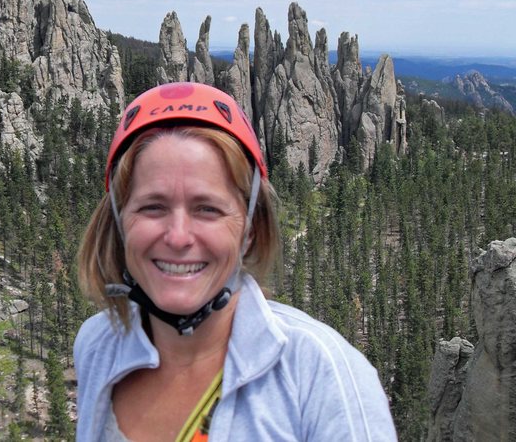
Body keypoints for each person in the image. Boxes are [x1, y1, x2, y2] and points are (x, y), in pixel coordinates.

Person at [74, 82, 397, 441]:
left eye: (208, 209)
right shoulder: (97, 344)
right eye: (153, 207)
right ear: (119, 224)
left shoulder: (324, 376)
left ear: (251, 230)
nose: (178, 236)